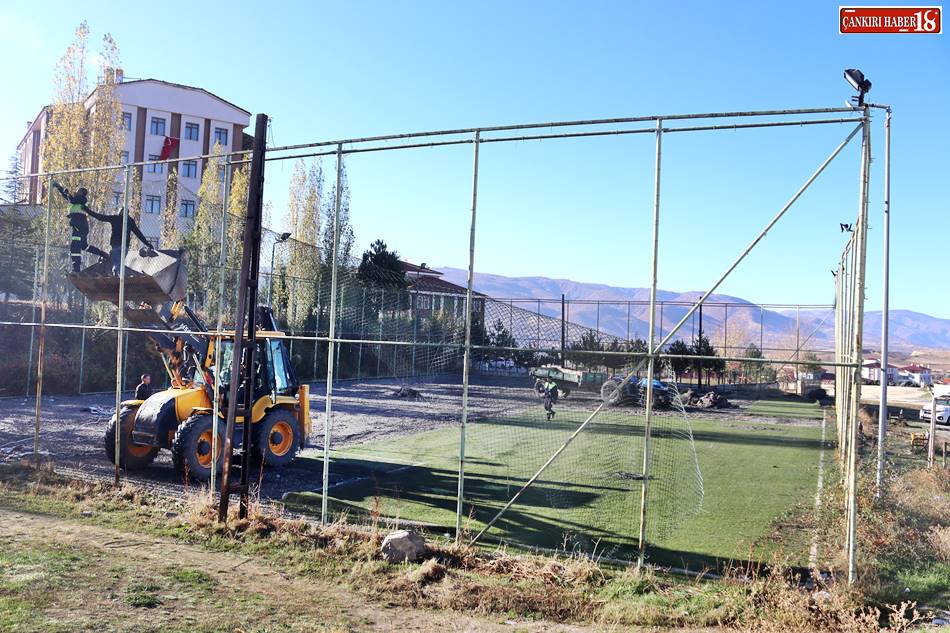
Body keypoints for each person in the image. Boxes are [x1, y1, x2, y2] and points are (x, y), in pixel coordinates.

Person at [50, 181, 109, 272]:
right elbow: (68, 198)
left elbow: (72, 199)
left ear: (82, 193)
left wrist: (68, 193)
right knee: (84, 246)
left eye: (78, 191)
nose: (76, 192)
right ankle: (102, 254)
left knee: (75, 247)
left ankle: (76, 268)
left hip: (78, 228)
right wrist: (59, 188)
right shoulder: (78, 202)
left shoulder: (81, 200)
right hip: (82, 227)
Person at [83, 205, 156, 275]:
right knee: (118, 264)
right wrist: (147, 243)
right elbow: (138, 233)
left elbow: (100, 217)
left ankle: (119, 277)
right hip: (123, 247)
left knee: (117, 265)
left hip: (117, 246)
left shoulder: (117, 219)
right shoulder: (128, 220)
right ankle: (119, 276)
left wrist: (87, 210)